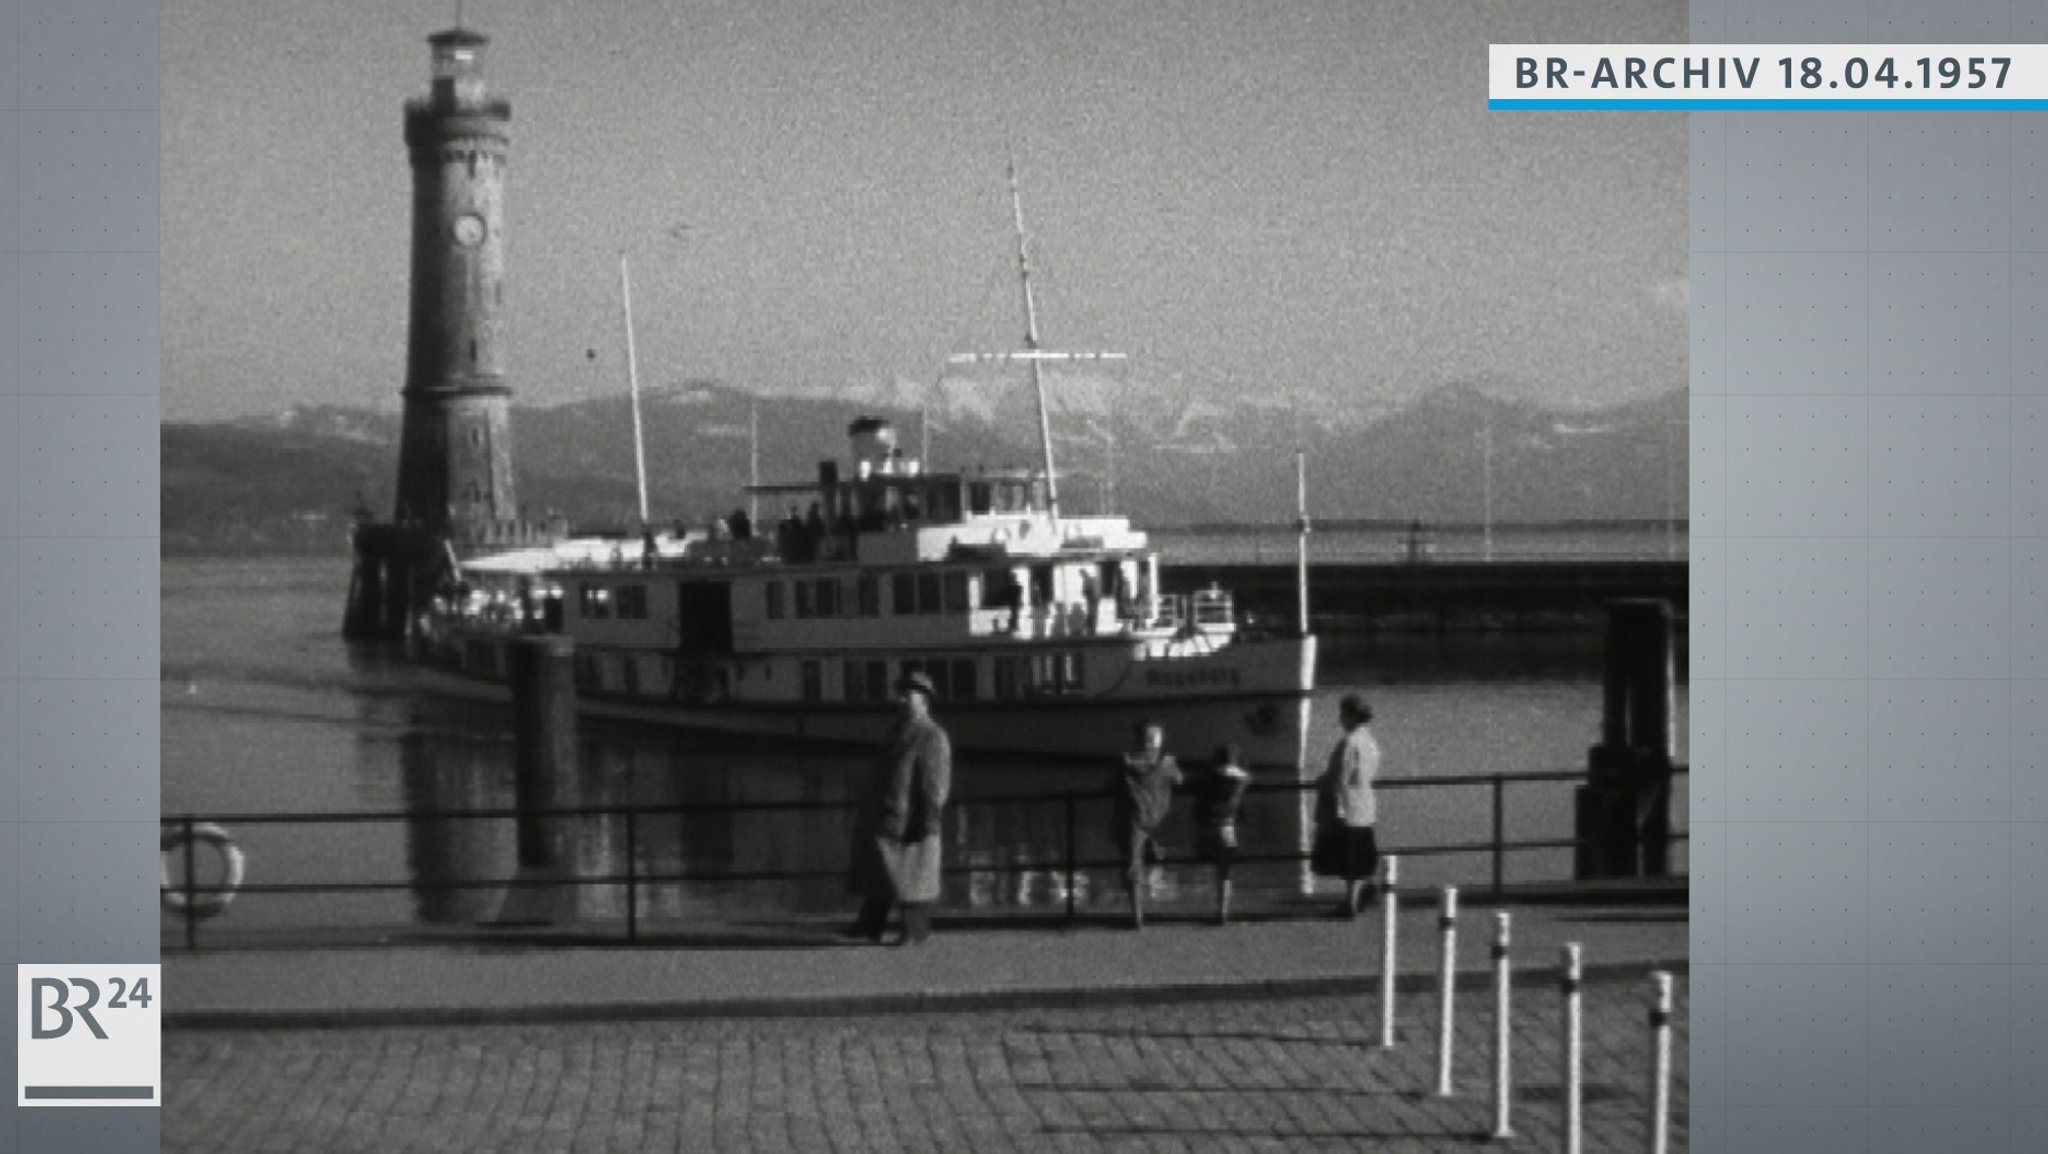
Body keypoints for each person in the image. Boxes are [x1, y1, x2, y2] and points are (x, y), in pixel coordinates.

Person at [846, 672, 953, 945]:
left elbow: (934, 785)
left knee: (909, 880)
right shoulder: (899, 730)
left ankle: (913, 933)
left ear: (924, 700)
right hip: (889, 818)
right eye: (902, 694)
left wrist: (928, 823)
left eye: (909, 695)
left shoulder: (931, 736)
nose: (901, 700)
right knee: (884, 875)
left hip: (908, 822)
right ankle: (871, 925)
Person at [1312, 694, 1382, 917]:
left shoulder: (1349, 742)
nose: (1340, 718)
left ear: (1350, 716)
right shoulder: (1371, 743)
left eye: (1343, 714)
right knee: (1360, 855)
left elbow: (1340, 777)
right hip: (1365, 804)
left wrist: (1333, 799)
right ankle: (1360, 893)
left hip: (1347, 806)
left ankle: (1350, 903)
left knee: (1348, 857)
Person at [1109, 719, 1182, 929]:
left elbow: (1111, 785)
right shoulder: (1167, 764)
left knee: (1132, 863)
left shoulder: (1126, 763)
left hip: (1133, 818)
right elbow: (1180, 779)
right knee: (1139, 860)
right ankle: (1156, 852)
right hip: (1157, 817)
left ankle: (1137, 916)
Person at [1194, 743, 1252, 925]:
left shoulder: (1208, 778)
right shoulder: (1240, 782)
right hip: (1227, 830)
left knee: (1207, 858)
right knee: (1224, 873)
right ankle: (1222, 911)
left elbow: (1193, 784)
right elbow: (1247, 777)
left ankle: (1201, 853)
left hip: (1205, 828)